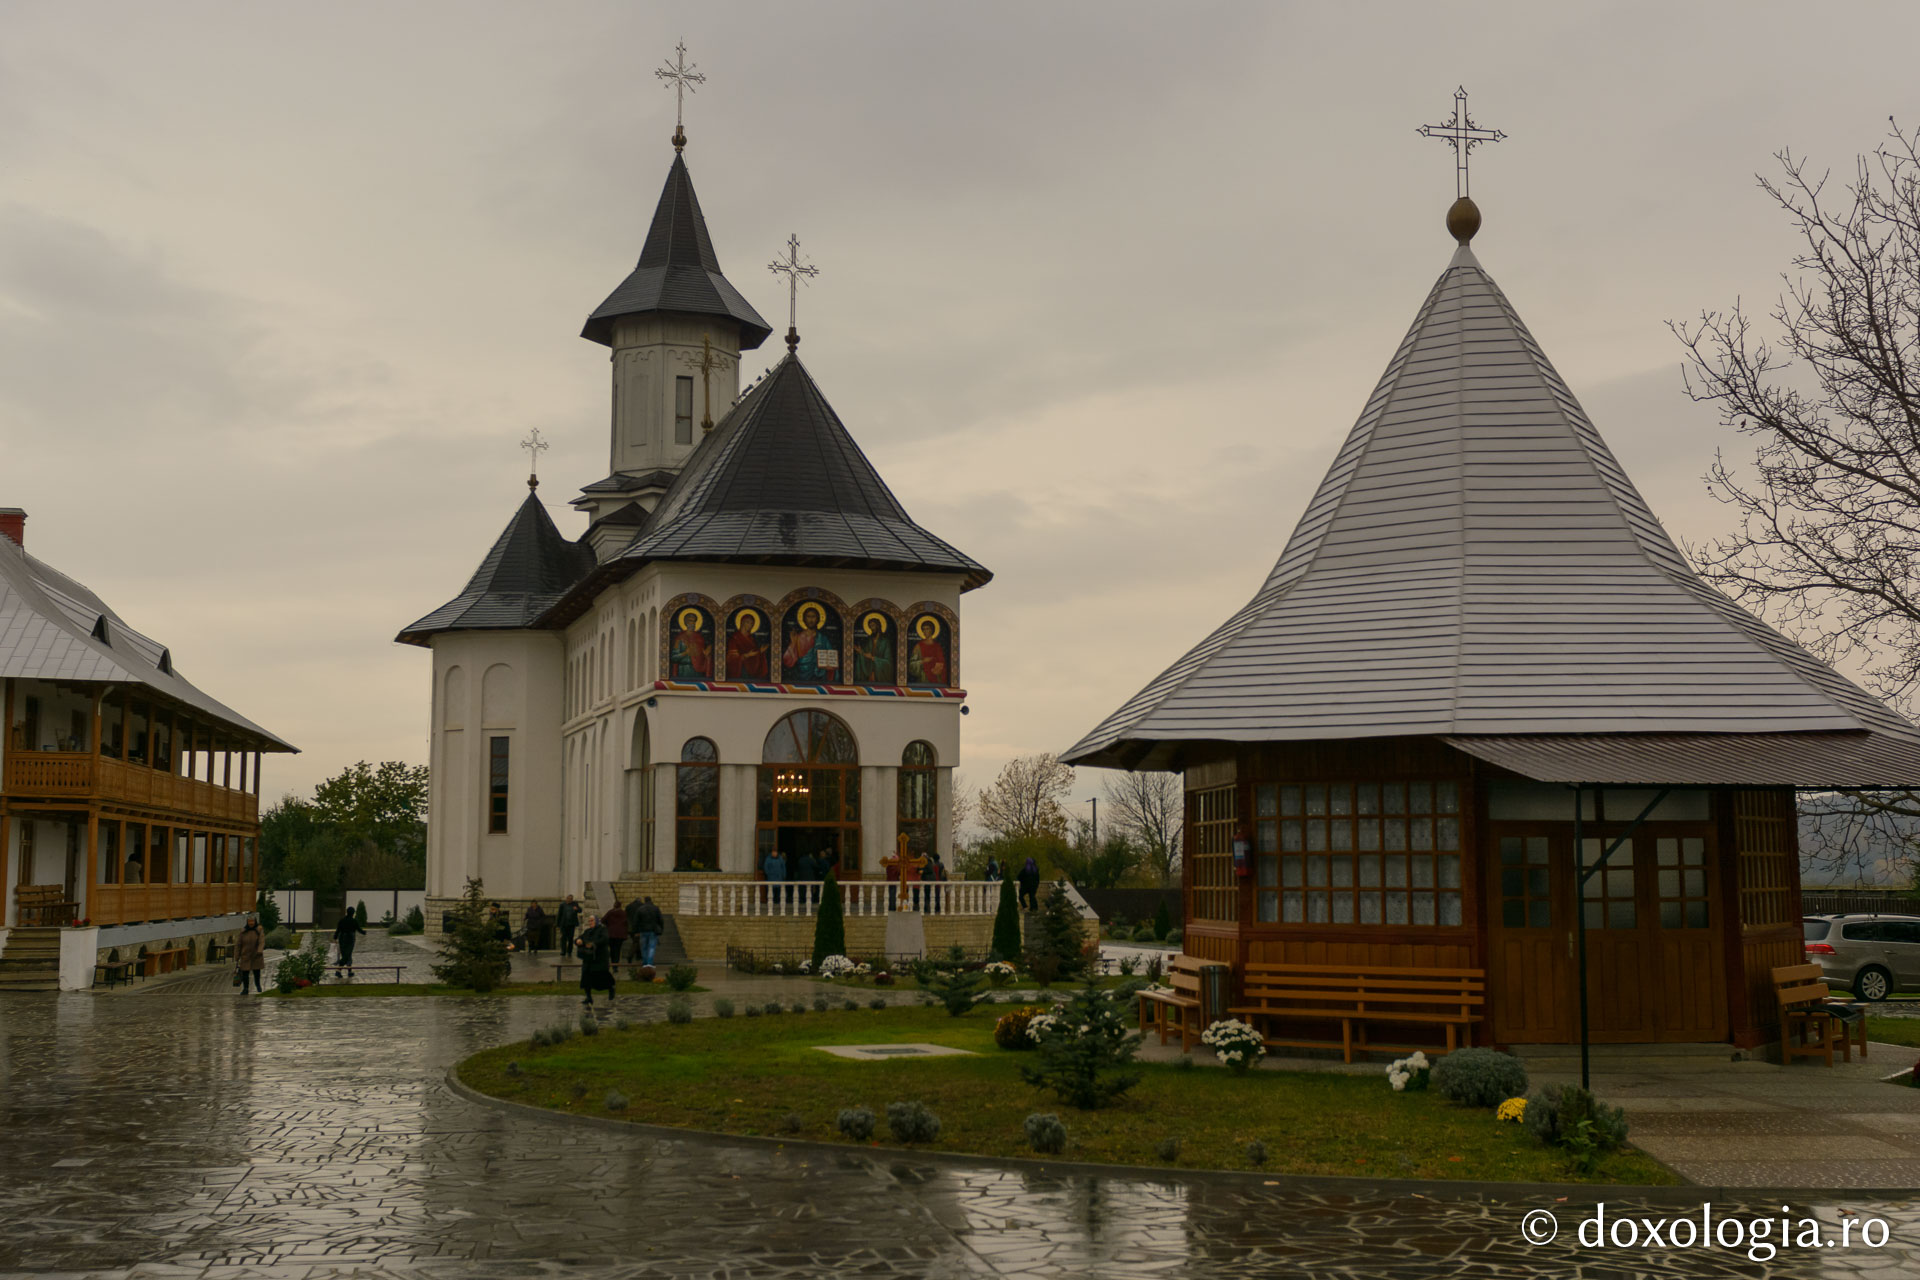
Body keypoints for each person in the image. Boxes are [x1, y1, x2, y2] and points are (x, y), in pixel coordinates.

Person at [577, 913, 615, 1009]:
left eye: (592, 920)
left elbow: (605, 939)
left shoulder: (602, 930)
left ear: (597, 921)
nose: (590, 922)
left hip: (599, 958)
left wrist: (594, 944)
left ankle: (610, 989)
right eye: (589, 921)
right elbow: (580, 938)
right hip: (588, 959)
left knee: (601, 976)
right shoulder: (587, 931)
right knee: (586, 977)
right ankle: (588, 997)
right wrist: (578, 941)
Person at [235, 914, 265, 995]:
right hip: (245, 954)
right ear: (247, 922)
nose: (251, 923)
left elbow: (261, 941)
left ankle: (258, 985)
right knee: (245, 973)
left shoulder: (259, 929)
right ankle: (245, 988)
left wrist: (259, 950)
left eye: (252, 921)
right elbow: (238, 944)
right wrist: (237, 956)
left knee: (256, 972)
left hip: (256, 955)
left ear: (255, 921)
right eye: (249, 921)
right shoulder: (243, 931)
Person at [333, 909, 367, 977]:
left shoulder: (342, 920)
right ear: (353, 913)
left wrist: (335, 937)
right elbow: (358, 929)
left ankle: (348, 972)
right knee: (347, 955)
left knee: (346, 955)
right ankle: (338, 970)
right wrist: (364, 932)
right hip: (350, 939)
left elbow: (338, 929)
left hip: (342, 938)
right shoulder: (354, 921)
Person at [633, 896, 664, 967]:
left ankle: (645, 962)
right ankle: (649, 963)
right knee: (651, 947)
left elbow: (636, 921)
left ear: (644, 901)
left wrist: (635, 931)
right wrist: (661, 929)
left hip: (643, 930)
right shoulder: (656, 908)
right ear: (651, 900)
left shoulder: (640, 909)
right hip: (653, 930)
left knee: (644, 947)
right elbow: (661, 920)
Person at [604, 899, 630, 965]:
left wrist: (608, 924)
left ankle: (613, 963)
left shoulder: (610, 912)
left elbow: (603, 920)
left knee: (612, 949)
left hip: (611, 934)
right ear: (620, 906)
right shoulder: (624, 913)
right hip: (620, 935)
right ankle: (616, 963)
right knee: (618, 949)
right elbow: (627, 923)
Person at [557, 895, 580, 960]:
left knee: (570, 938)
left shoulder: (575, 904)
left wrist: (577, 909)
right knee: (563, 938)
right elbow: (559, 914)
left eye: (571, 899)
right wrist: (558, 924)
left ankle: (569, 951)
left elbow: (580, 910)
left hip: (571, 924)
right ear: (566, 899)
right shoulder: (562, 905)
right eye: (569, 898)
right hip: (564, 924)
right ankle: (563, 951)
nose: (570, 900)